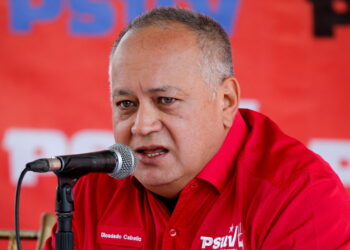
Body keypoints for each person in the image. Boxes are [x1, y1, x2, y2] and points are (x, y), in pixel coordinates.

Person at [45, 7, 350, 249]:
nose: (142, 125)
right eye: (126, 104)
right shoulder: (93, 188)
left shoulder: (300, 195)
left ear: (226, 101)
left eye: (166, 100)